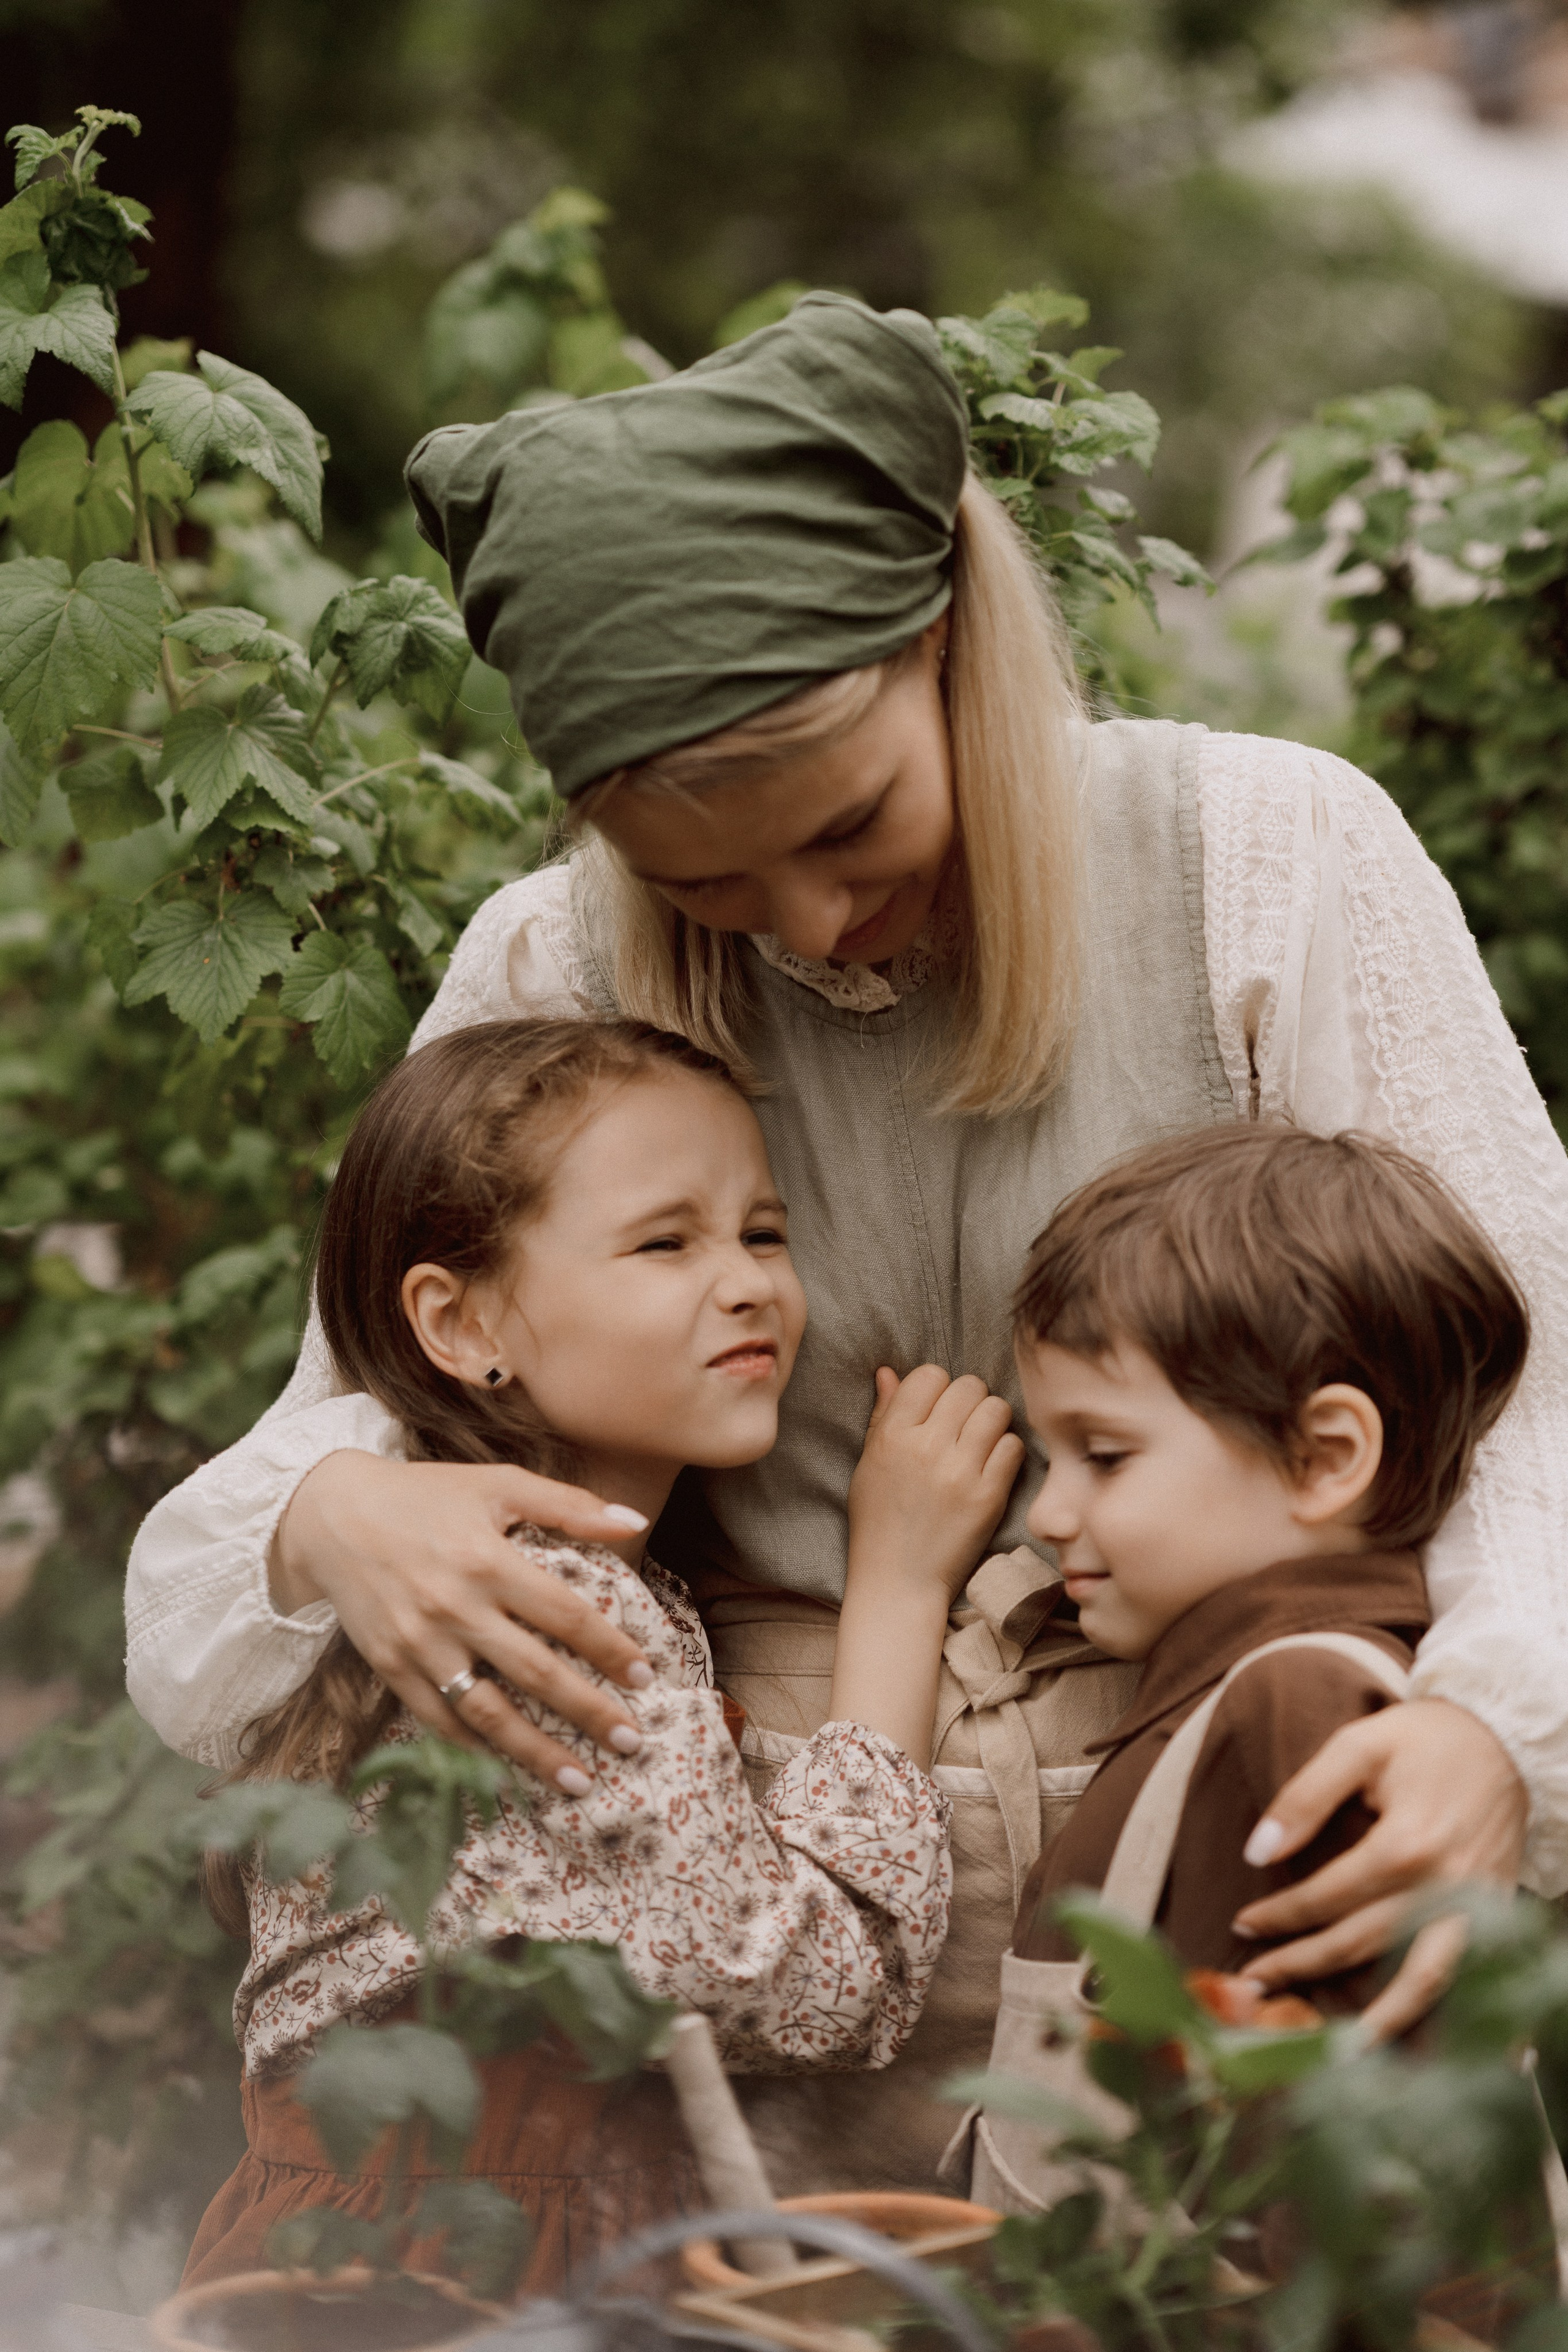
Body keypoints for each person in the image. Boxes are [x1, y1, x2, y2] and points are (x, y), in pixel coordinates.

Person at [124, 291, 1568, 2192]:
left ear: (951, 646)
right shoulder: (549, 961)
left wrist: (1495, 1737)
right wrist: (330, 1522)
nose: (807, 924)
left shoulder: (1270, 859)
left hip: (1223, 1846)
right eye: (704, 881)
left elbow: (1527, 1396)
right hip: (785, 1926)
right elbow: (350, 1424)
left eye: (856, 824)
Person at [183, 1015, 1020, 2293]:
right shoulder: (553, 1609)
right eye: (664, 1241)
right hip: (490, 2254)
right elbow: (817, 1984)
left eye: (764, 1231)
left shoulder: (444, 1571)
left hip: (347, 2237)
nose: (745, 1280)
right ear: (458, 1326)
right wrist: (898, 1585)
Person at [1003, 1123, 1528, 1996]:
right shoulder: (1234, 1694)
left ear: (1323, 1458)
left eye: (1105, 1455)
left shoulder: (1301, 1713)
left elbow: (1326, 2107)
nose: (1047, 1513)